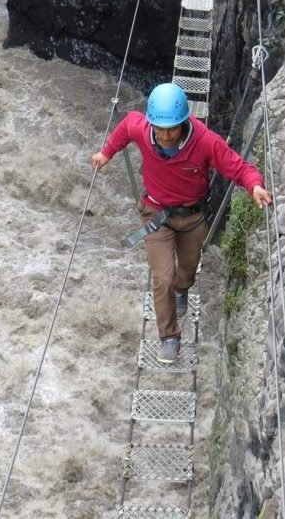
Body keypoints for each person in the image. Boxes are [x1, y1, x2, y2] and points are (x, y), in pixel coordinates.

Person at [91, 83, 272, 363]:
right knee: (162, 277)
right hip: (156, 214)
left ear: (185, 122)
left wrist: (255, 187)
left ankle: (182, 288)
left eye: (172, 128)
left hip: (192, 217)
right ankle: (170, 337)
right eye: (160, 128)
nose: (165, 135)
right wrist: (106, 153)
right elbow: (126, 126)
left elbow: (239, 167)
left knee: (186, 269)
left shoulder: (206, 142)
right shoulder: (143, 129)